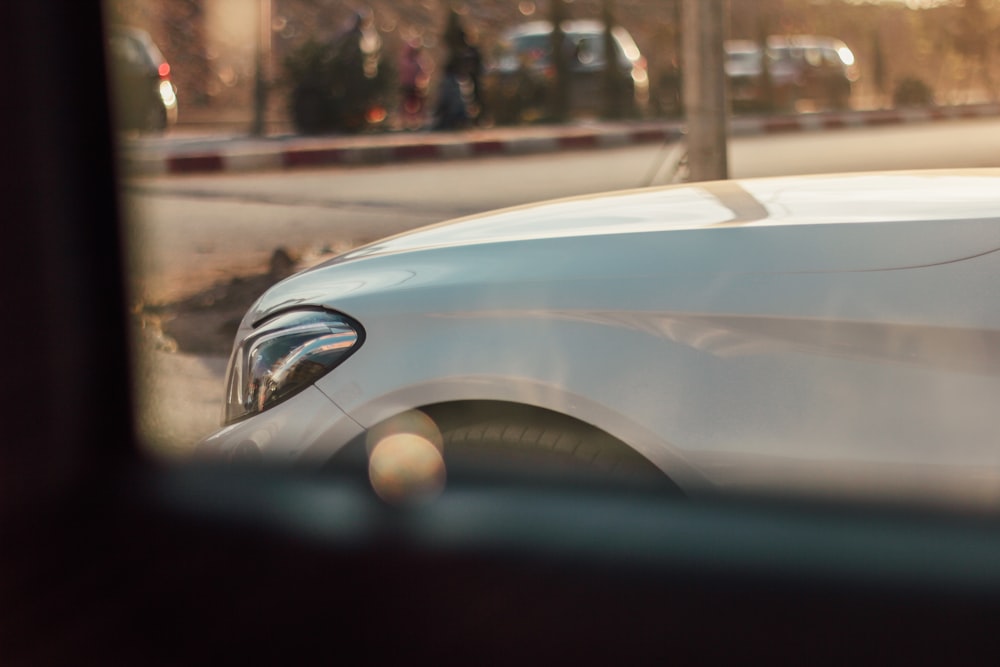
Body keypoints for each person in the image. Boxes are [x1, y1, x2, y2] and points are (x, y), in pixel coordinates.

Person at [398, 41, 428, 130]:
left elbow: (423, 73)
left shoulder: (418, 61)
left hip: (416, 85)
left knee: (418, 103)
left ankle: (419, 121)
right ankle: (404, 121)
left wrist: (422, 83)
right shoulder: (406, 61)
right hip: (407, 85)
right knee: (405, 103)